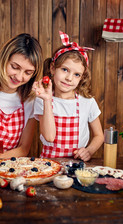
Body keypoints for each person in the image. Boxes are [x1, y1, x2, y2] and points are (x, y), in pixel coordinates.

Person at [32, 31, 104, 161]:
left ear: (82, 78)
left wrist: (89, 151)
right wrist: (48, 100)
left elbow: (99, 135)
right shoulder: (42, 99)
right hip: (49, 164)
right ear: (53, 68)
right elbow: (49, 137)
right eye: (65, 70)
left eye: (77, 74)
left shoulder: (87, 102)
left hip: (77, 165)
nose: (69, 78)